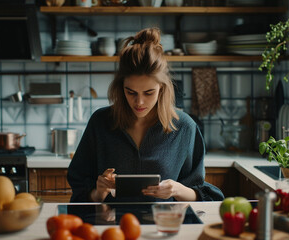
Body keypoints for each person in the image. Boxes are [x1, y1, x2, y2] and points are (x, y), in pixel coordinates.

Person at [67, 28, 224, 202]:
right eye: (131, 92)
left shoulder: (185, 127)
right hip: (111, 227)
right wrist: (99, 191)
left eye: (148, 92)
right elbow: (80, 193)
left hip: (163, 224)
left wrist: (177, 189)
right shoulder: (100, 122)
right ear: (120, 88)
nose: (139, 102)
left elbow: (203, 196)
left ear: (162, 89)